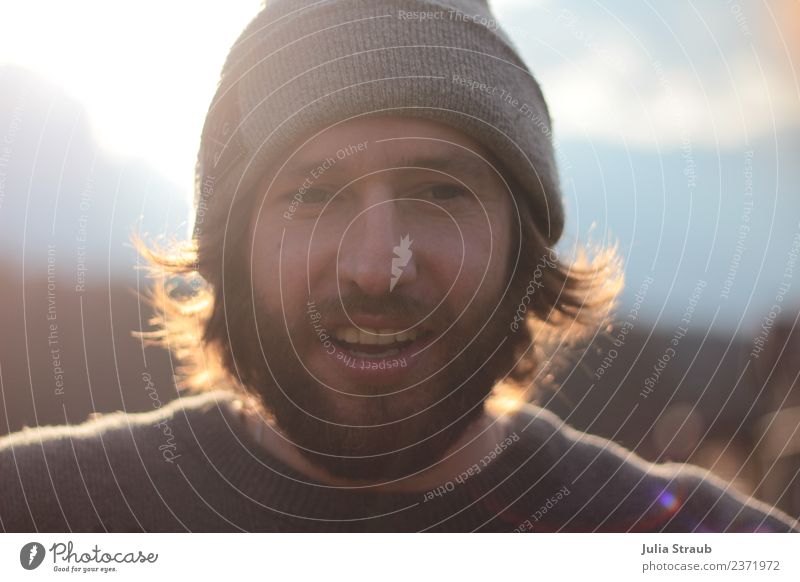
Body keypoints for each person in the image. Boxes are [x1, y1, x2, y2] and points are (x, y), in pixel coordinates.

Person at [1, 0, 797, 532]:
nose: (377, 267)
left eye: (440, 191)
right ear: (226, 248)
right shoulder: (35, 513)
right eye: (312, 196)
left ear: (526, 246)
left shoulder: (710, 549)